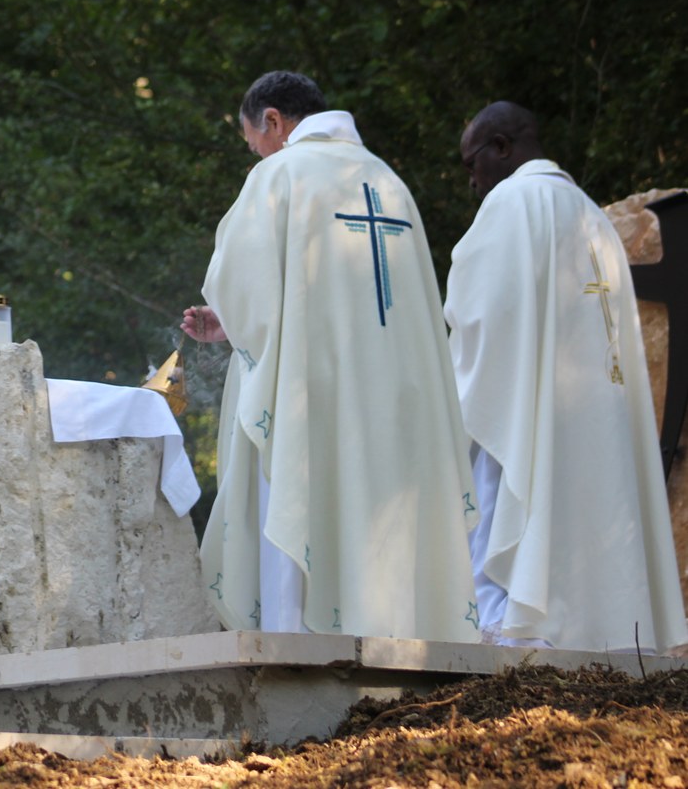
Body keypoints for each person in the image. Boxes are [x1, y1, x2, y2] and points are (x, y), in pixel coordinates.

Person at [182, 71, 479, 641]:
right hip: (398, 397)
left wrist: (233, 320)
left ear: (273, 121)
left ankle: (300, 649)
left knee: (308, 501)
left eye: (253, 140)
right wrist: (233, 323)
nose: (256, 153)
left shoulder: (280, 174)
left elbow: (242, 284)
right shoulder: (389, 182)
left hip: (314, 394)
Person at [444, 100, 687, 652]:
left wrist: (453, 394)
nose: (473, 182)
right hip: (596, 410)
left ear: (501, 147)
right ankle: (599, 635)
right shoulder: (591, 215)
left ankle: (515, 631)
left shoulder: (512, 203)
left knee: (507, 501)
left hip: (527, 408)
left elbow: (479, 314)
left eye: (471, 164)